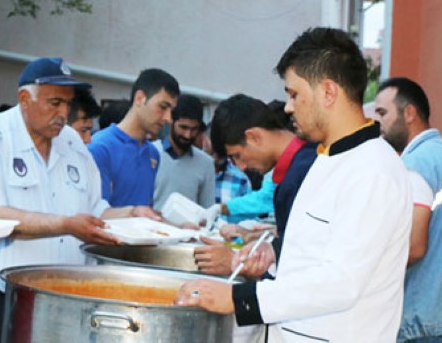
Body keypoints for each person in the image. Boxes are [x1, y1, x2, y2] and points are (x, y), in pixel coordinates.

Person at [176, 27, 413, 342]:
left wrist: (239, 298)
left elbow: (341, 281)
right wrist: (273, 256)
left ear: (328, 92)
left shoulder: (374, 169)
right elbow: (311, 255)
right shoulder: (326, 158)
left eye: (294, 94)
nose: (288, 107)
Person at [0, 57, 159, 342]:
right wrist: (66, 225)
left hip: (59, 302)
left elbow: (95, 210)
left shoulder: (71, 142)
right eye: (55, 103)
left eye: (67, 104)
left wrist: (132, 213)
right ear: (25, 99)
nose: (63, 113)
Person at [374, 77, 442, 342]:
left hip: (429, 321)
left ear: (409, 113)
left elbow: (414, 247)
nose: (378, 123)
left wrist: (371, 273)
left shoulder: (414, 165)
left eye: (383, 113)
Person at [194, 94, 317, 276]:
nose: (241, 167)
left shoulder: (303, 172)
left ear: (253, 137)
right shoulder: (297, 166)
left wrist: (235, 264)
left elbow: (303, 264)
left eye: (237, 156)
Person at [88, 68, 180, 207]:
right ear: (139, 98)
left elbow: (144, 210)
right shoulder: (100, 148)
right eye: (162, 107)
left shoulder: (153, 153)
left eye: (171, 111)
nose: (168, 118)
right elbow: (95, 213)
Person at [152, 94, 215, 209]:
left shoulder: (206, 163)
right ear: (171, 121)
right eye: (183, 127)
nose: (188, 135)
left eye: (194, 129)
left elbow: (207, 210)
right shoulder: (149, 153)